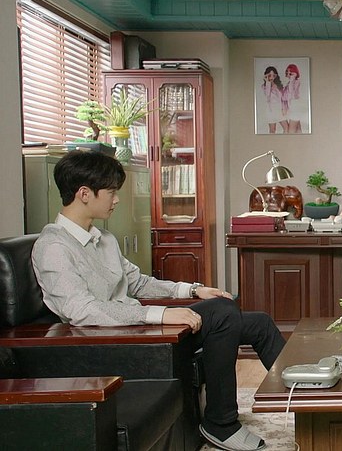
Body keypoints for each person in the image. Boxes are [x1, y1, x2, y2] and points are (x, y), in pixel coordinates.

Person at [32, 151, 285, 451]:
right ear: (84, 194)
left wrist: (193, 291)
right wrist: (159, 315)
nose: (117, 200)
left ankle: (308, 398)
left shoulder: (104, 239)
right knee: (223, 311)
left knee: (258, 323)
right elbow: (82, 310)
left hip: (139, 330)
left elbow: (138, 283)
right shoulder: (54, 247)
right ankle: (220, 423)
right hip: (115, 344)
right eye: (111, 192)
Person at [279, 63, 302, 134]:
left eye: (291, 73)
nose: (289, 74)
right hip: (293, 109)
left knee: (291, 132)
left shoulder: (296, 82)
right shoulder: (289, 84)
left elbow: (291, 94)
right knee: (298, 130)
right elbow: (285, 97)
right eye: (287, 72)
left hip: (295, 109)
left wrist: (292, 78)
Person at [261, 65, 283, 134]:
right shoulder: (264, 86)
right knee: (272, 130)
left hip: (279, 110)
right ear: (266, 75)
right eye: (269, 75)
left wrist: (276, 88)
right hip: (270, 110)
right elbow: (267, 96)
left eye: (274, 75)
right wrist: (268, 82)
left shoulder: (278, 85)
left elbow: (281, 97)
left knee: (286, 128)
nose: (272, 77)